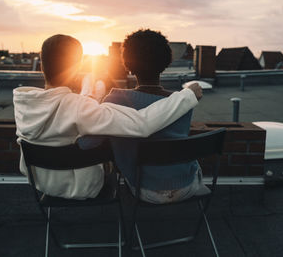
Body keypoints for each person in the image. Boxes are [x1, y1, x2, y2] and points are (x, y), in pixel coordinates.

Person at [13, 34, 203, 199]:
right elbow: (141, 124)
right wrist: (187, 96)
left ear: (42, 65)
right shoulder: (80, 108)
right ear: (76, 66)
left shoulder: (23, 102)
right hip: (80, 188)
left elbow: (68, 108)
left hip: (41, 183)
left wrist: (89, 95)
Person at [79, 29, 209, 204]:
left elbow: (86, 143)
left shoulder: (115, 101)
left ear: (128, 65)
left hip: (143, 190)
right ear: (166, 62)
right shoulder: (183, 102)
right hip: (187, 187)